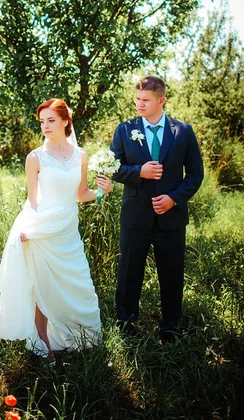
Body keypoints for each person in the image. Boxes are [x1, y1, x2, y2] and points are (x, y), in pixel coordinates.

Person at [0, 98, 112, 364]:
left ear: (65, 121)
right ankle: (44, 347)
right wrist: (29, 228)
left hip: (68, 229)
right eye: (42, 121)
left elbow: (81, 194)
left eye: (51, 120)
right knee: (41, 289)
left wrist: (102, 193)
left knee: (80, 284)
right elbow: (33, 199)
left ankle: (84, 341)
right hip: (42, 228)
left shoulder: (80, 155)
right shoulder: (35, 158)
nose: (45, 126)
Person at [110, 76, 203, 342]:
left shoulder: (183, 131)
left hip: (171, 218)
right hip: (135, 217)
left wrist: (174, 198)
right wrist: (139, 171)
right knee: (129, 273)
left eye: (145, 100)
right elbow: (112, 167)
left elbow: (196, 173)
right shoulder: (124, 130)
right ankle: (126, 328)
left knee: (172, 275)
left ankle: (170, 329)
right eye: (137, 99)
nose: (139, 104)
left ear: (161, 100)